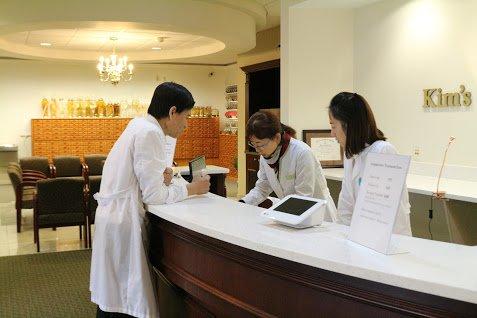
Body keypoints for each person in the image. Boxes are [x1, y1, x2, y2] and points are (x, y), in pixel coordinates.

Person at [90, 82, 211, 318]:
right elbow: (153, 196)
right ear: (172, 111)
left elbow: (141, 178)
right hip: (123, 222)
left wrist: (162, 179)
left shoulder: (139, 125)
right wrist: (192, 189)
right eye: (186, 117)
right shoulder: (150, 133)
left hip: (115, 218)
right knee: (123, 298)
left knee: (115, 296)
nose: (186, 125)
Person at [328, 92, 412, 236]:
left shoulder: (382, 151)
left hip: (386, 240)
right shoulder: (351, 155)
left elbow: (383, 212)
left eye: (333, 126)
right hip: (359, 238)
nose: (332, 134)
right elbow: (346, 204)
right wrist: (342, 236)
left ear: (348, 125)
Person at [240, 110, 337, 222]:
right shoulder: (265, 156)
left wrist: (276, 213)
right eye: (253, 144)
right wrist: (243, 203)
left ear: (276, 137)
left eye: (260, 144)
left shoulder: (302, 153)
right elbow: (262, 188)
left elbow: (303, 197)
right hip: (291, 214)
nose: (258, 150)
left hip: (317, 217)